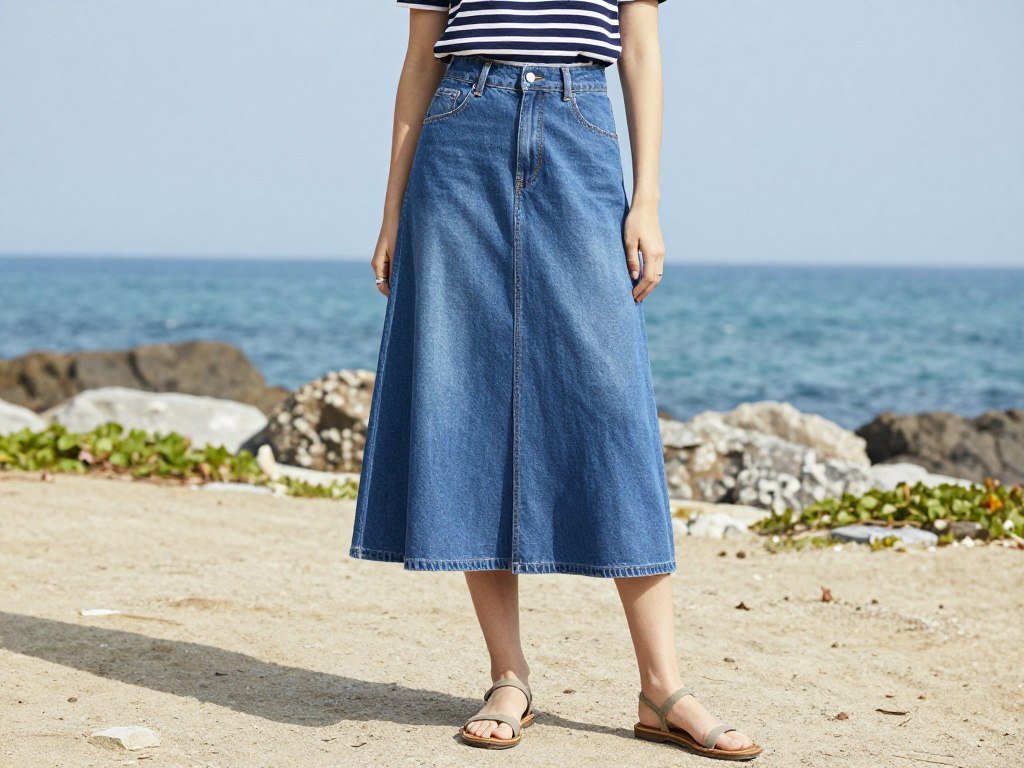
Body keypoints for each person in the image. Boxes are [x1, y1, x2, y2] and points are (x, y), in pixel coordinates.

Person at [350, 0, 762, 759]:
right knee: (464, 393)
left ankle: (661, 687)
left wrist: (648, 197)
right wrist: (391, 213)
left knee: (613, 405)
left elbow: (640, 49)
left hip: (582, 126)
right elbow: (419, 61)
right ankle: (508, 676)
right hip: (461, 131)